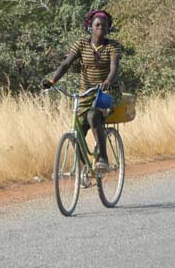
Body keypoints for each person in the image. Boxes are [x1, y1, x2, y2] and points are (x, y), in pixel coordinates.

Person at [42, 10, 122, 171]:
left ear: (108, 28)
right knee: (77, 129)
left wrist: (107, 81)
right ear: (90, 27)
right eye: (97, 25)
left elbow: (114, 68)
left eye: (104, 26)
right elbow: (66, 64)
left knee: (93, 115)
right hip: (85, 93)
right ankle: (88, 168)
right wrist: (52, 81)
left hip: (107, 93)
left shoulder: (113, 47)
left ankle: (103, 158)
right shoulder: (81, 44)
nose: (101, 28)